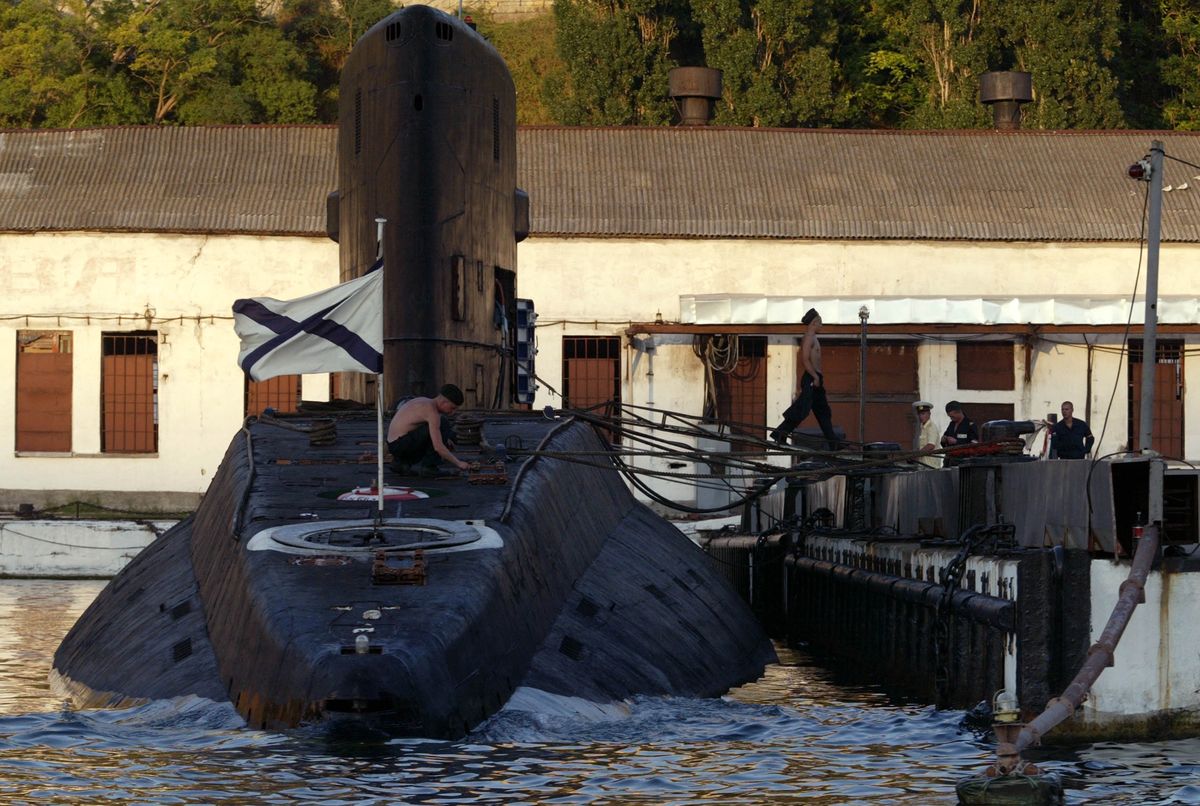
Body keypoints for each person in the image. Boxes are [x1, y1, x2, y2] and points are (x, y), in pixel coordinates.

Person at [769, 308, 839, 450]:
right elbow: (805, 359)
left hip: (817, 378)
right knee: (802, 409)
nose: (821, 325)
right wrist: (814, 376)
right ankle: (780, 433)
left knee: (823, 411)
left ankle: (834, 443)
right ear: (814, 322)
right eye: (820, 322)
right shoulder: (808, 337)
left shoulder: (814, 338)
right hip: (811, 378)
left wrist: (818, 377)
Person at [386, 384, 473, 475]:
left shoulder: (424, 401)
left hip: (394, 445)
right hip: (400, 446)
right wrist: (459, 463)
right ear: (444, 402)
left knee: (437, 425)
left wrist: (446, 440)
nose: (453, 412)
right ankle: (430, 467)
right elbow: (438, 447)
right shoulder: (431, 412)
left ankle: (401, 464)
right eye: (452, 408)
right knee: (442, 422)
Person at [940, 401, 978, 465]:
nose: (951, 419)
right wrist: (944, 440)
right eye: (950, 417)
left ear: (959, 412)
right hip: (949, 461)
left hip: (963, 462)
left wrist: (956, 442)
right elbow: (945, 441)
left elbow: (974, 444)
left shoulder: (970, 425)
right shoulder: (952, 424)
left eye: (952, 416)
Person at [913, 400, 941, 469]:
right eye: (919, 414)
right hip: (923, 463)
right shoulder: (923, 427)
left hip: (931, 464)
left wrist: (916, 455)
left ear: (929, 414)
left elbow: (931, 445)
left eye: (923, 414)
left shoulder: (931, 427)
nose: (920, 416)